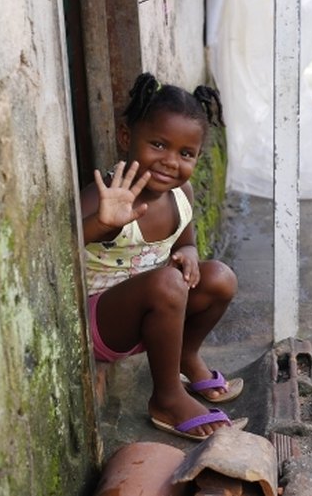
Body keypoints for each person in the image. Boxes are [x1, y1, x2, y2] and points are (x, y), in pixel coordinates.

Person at [80, 72, 246, 441]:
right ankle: (167, 397)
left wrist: (188, 254)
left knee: (220, 277)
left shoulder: (181, 194)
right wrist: (101, 223)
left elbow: (186, 242)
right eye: (158, 144)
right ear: (127, 137)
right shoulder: (105, 196)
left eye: (186, 153)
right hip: (103, 323)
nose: (171, 162)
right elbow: (68, 246)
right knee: (169, 283)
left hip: (156, 316)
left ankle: (185, 356)